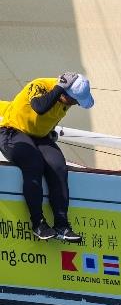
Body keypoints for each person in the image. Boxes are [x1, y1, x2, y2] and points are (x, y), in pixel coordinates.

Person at [0, 73, 95, 241]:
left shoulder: (67, 98)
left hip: (38, 136)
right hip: (11, 130)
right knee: (33, 162)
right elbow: (39, 107)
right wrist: (59, 87)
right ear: (63, 92)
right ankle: (38, 223)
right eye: (73, 100)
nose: (74, 104)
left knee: (58, 166)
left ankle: (62, 225)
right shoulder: (41, 85)